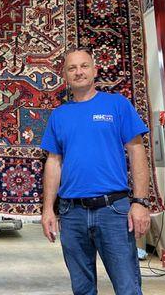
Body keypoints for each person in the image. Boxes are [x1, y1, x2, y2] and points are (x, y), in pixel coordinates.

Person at [40, 48, 151, 295]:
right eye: (72, 68)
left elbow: (136, 151)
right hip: (72, 214)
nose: (79, 72)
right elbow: (53, 162)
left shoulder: (117, 105)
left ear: (94, 69)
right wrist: (48, 209)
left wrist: (141, 202)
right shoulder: (59, 115)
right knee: (82, 289)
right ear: (65, 75)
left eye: (84, 66)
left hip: (113, 211)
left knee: (127, 287)